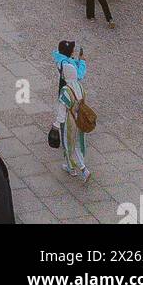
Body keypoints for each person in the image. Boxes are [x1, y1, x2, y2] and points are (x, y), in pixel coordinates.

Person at [53, 41, 90, 183]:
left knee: (68, 144)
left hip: (69, 120)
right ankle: (73, 166)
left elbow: (62, 111)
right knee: (78, 143)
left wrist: (56, 125)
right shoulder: (80, 88)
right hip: (79, 117)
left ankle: (79, 168)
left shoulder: (65, 91)